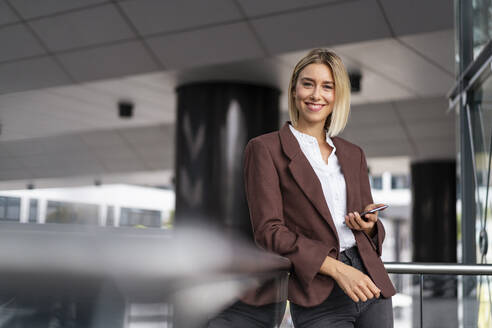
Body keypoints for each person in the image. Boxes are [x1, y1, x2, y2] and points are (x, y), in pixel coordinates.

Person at [242, 48, 396, 327]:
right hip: (317, 288)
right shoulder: (265, 149)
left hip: (370, 281)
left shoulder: (353, 154)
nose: (316, 95)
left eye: (327, 86)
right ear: (294, 90)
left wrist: (369, 225)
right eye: (308, 84)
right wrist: (338, 270)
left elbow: (368, 230)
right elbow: (268, 232)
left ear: (337, 96)